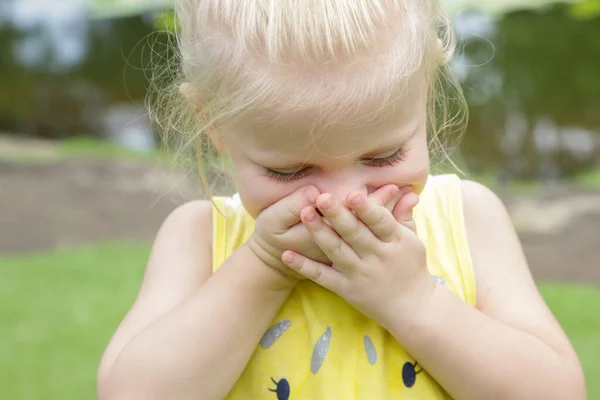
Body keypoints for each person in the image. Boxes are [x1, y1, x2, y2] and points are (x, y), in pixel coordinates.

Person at [97, 1, 586, 399]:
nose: (343, 200)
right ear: (214, 125)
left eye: (384, 156)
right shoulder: (199, 239)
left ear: (424, 90)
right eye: (291, 171)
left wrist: (415, 300)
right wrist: (263, 268)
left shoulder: (469, 220)